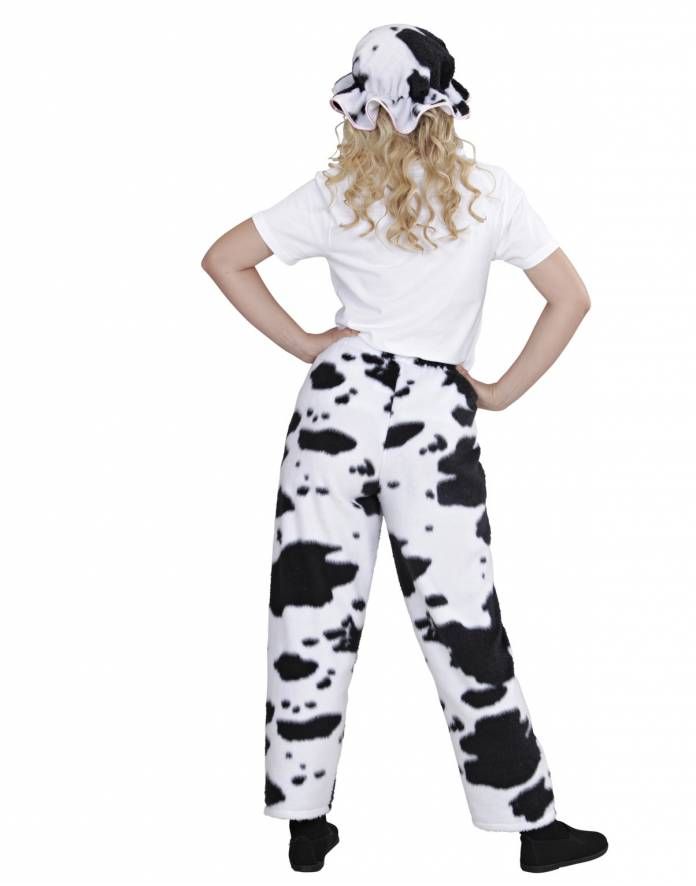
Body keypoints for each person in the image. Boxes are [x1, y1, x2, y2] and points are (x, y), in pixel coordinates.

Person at [201, 22, 607, 875]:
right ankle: (532, 827)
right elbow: (569, 299)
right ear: (443, 100)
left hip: (333, 414)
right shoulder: (488, 193)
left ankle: (304, 824)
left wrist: (311, 344)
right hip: (432, 419)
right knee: (462, 618)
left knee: (309, 609)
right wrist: (498, 391)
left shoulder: (334, 193)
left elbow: (224, 260)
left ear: (358, 103)